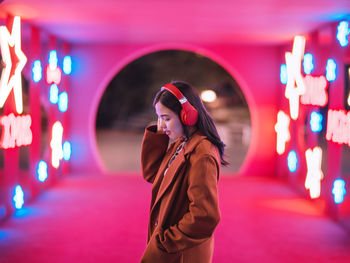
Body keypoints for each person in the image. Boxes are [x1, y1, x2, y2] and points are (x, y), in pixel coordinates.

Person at [140, 81, 227, 263]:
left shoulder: (201, 153)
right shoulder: (183, 142)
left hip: (182, 253)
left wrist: (166, 242)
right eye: (159, 118)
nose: (162, 126)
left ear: (188, 115)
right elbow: (152, 173)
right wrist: (158, 133)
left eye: (166, 118)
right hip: (172, 249)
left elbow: (204, 216)